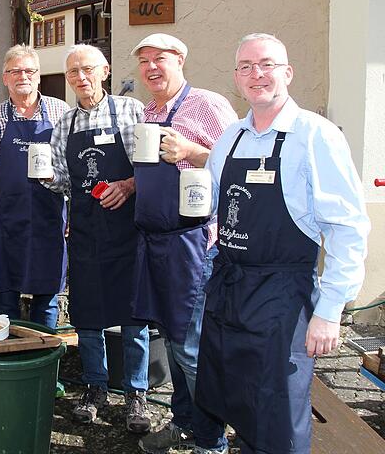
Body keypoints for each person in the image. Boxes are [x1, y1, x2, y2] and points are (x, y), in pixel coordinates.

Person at [196, 33, 370, 454]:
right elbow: (218, 201)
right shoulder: (231, 138)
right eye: (246, 67)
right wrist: (215, 227)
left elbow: (347, 227)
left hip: (282, 298)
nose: (257, 74)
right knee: (230, 394)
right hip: (229, 289)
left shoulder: (315, 135)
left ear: (287, 72)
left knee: (277, 411)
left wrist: (329, 312)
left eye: (267, 64)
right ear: (236, 77)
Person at [128, 34, 237, 454]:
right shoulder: (150, 111)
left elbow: (239, 160)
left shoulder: (207, 104)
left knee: (191, 348)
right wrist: (126, 184)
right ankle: (184, 421)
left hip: (194, 244)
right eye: (145, 61)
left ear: (181, 61)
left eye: (161, 59)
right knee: (173, 342)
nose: (152, 67)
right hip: (155, 243)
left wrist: (192, 149)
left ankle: (212, 441)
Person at [42, 44, 151, 432]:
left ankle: (136, 395)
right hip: (86, 229)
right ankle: (95, 388)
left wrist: (129, 184)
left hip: (126, 229)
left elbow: (150, 169)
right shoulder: (65, 123)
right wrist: (44, 176)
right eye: (73, 73)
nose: (80, 78)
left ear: (104, 70)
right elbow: (61, 179)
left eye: (87, 69)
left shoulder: (130, 110)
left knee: (134, 315)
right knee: (87, 314)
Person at [0, 44, 69, 329]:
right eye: (15, 71)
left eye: (29, 70)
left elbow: (74, 168)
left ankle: (43, 360)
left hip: (50, 220)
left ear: (39, 76)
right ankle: (11, 362)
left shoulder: (61, 112)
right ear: (5, 78)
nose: (23, 76)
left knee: (48, 299)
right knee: (5, 299)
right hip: (8, 223)